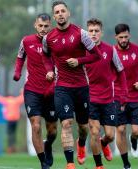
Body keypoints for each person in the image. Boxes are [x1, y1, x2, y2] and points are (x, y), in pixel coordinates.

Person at [42, 1, 102, 169]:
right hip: (62, 87)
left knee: (83, 127)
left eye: (63, 11)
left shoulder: (81, 34)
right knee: (66, 124)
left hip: (82, 87)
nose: (60, 14)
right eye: (57, 12)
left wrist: (79, 61)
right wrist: (49, 70)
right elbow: (45, 56)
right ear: (54, 16)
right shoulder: (49, 38)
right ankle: (70, 163)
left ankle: (81, 144)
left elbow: (96, 55)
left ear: (68, 13)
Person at [13, 13, 58, 169]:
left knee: (52, 130)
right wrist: (17, 72)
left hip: (51, 91)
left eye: (46, 26)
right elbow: (20, 57)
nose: (43, 29)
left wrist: (55, 83)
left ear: (50, 26)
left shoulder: (56, 42)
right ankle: (43, 162)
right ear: (35, 25)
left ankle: (49, 145)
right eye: (41, 26)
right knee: (36, 125)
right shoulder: (26, 41)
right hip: (32, 90)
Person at [85, 18, 127, 169]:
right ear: (87, 32)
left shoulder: (110, 50)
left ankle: (104, 144)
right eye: (91, 31)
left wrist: (124, 94)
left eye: (96, 31)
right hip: (90, 98)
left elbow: (121, 71)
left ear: (101, 33)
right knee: (94, 132)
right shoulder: (82, 50)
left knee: (109, 135)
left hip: (108, 99)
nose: (94, 34)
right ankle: (99, 165)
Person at [113, 23, 138, 169]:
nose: (124, 40)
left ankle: (133, 140)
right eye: (121, 37)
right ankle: (126, 164)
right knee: (120, 129)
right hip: (118, 97)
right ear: (116, 37)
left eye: (126, 36)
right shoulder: (111, 52)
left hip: (135, 97)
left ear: (129, 35)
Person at [0, 89, 24, 154]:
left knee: (10, 134)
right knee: (13, 134)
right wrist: (22, 91)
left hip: (9, 120)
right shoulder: (16, 100)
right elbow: (22, 97)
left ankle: (10, 148)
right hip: (15, 119)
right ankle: (13, 147)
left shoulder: (6, 100)